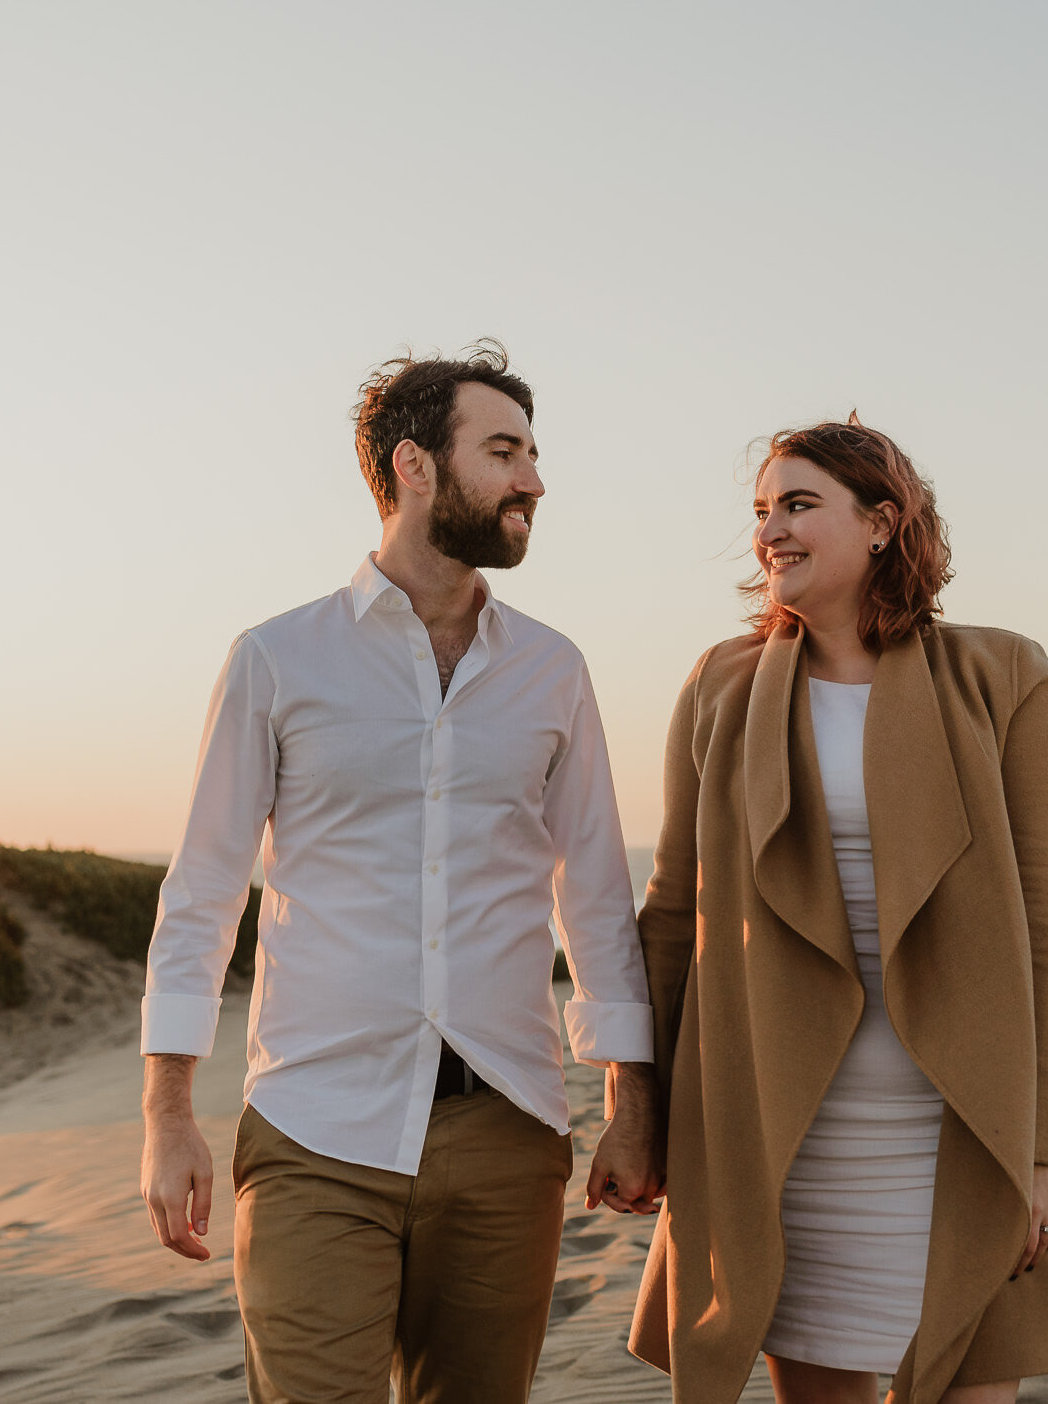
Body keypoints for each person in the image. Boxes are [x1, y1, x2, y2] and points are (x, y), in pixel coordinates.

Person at [139, 343, 665, 1404]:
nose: (533, 481)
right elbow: (203, 892)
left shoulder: (552, 669)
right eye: (504, 451)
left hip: (507, 1129)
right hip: (315, 1130)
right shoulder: (278, 658)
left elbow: (597, 896)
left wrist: (631, 1099)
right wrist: (166, 1116)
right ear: (415, 466)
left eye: (532, 453)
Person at [628, 416, 1048, 1404]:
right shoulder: (721, 685)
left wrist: (1042, 1152)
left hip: (957, 1128)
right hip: (785, 1134)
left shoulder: (1006, 676)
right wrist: (641, 1114)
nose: (769, 531)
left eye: (797, 504)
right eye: (760, 511)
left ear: (882, 522)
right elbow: (671, 915)